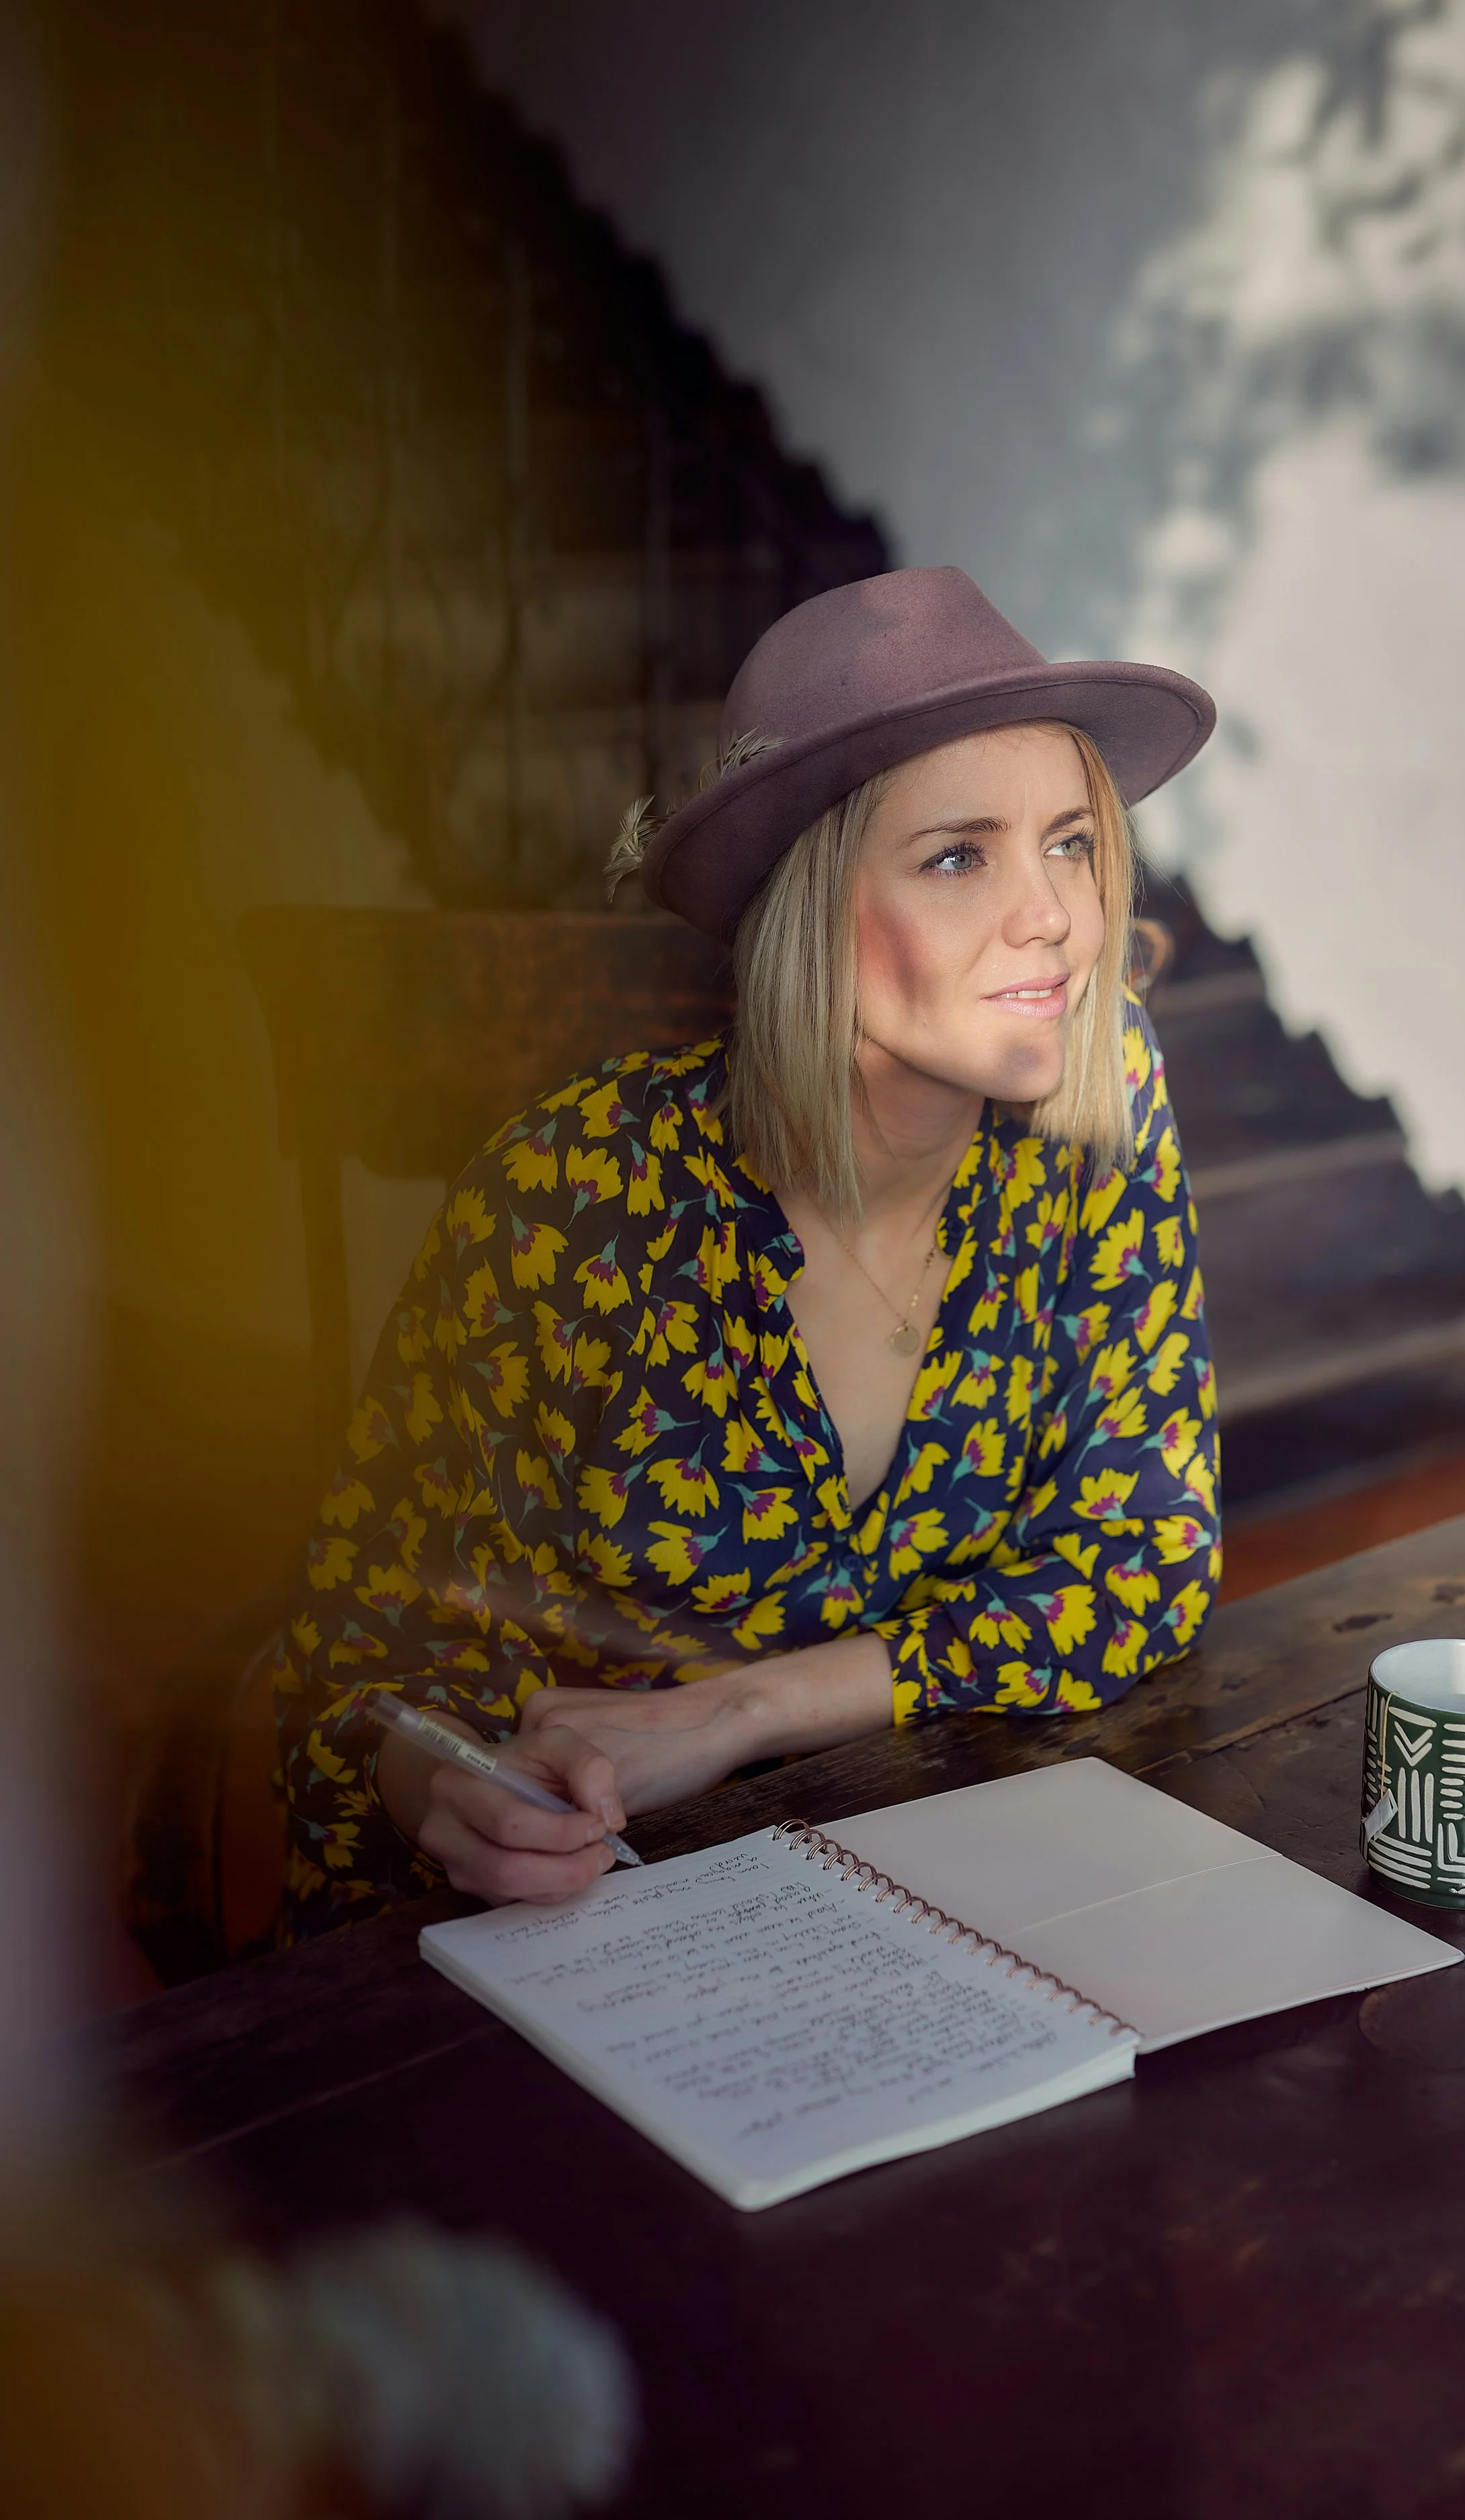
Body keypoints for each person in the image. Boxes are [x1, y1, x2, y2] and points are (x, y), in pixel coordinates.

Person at [275, 566, 1222, 1941]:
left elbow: (1136, 1559)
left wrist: (738, 1707)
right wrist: (445, 1789)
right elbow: (367, 1654)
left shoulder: (1099, 1105)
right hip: (612, 1927)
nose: (1055, 921)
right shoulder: (571, 1199)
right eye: (958, 856)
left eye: (1069, 843)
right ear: (807, 903)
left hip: (962, 1881)